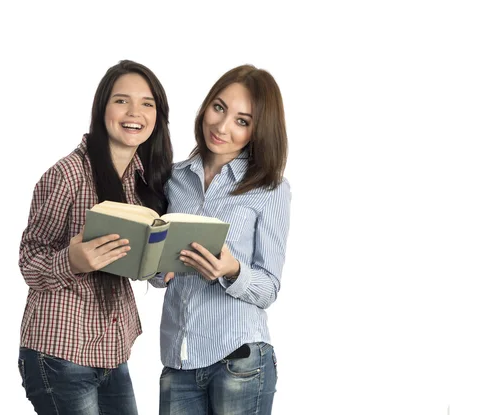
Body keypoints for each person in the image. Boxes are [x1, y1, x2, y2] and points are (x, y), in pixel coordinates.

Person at [17, 59, 173, 415]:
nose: (135, 112)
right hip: (60, 352)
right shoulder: (68, 175)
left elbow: (136, 263)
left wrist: (163, 269)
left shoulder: (141, 182)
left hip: (111, 351)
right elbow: (29, 261)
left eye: (147, 103)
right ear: (102, 107)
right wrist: (72, 260)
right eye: (122, 100)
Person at [153, 65, 291, 415]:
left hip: (238, 359)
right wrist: (157, 268)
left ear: (258, 131)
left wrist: (232, 270)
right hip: (178, 360)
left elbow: (269, 287)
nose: (222, 126)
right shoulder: (174, 179)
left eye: (242, 121)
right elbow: (159, 272)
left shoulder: (270, 189)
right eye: (219, 107)